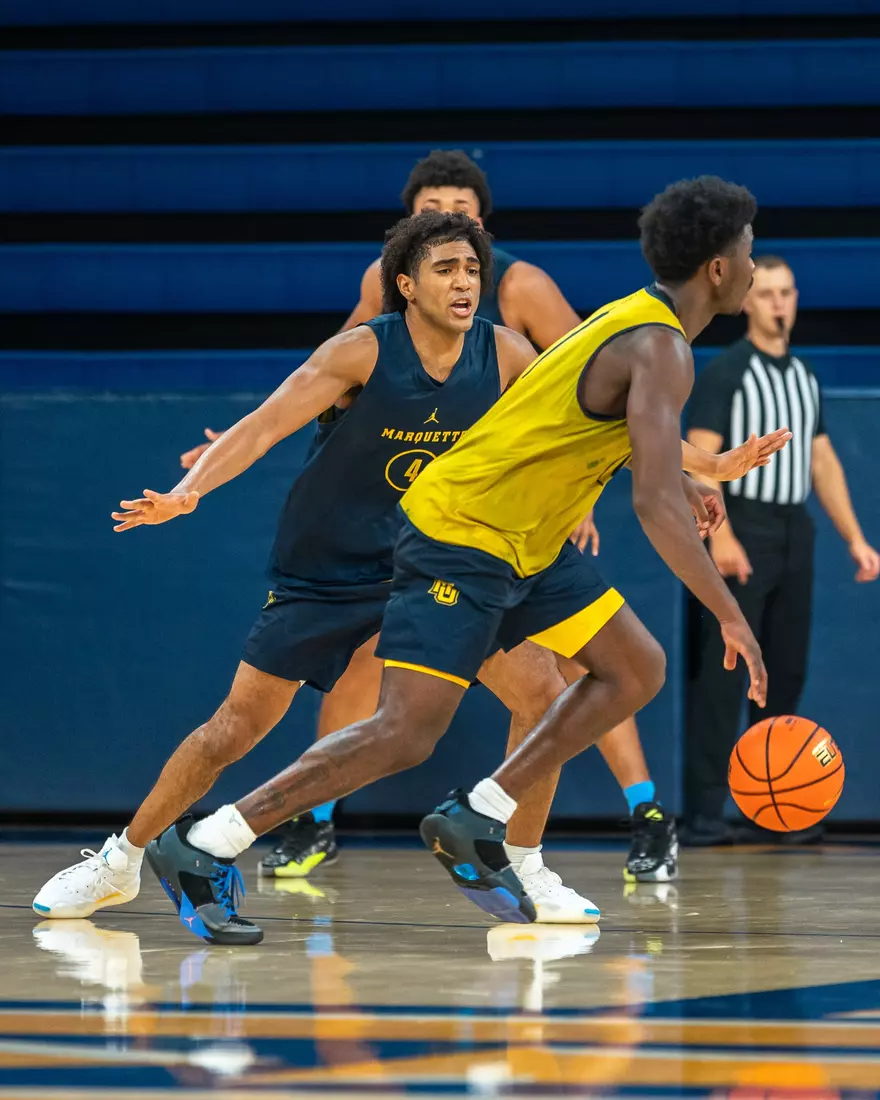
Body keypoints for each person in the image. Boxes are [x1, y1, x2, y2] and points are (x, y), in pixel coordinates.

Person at [133, 175, 777, 947]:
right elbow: (651, 506)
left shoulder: (627, 323)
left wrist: (689, 467)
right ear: (716, 266)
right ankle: (206, 843)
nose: (753, 266)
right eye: (748, 252)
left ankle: (484, 818)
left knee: (633, 666)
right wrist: (730, 611)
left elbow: (602, 424)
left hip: (523, 540)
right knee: (405, 732)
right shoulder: (658, 342)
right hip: (462, 532)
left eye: (473, 267)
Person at [183, 149, 678, 886]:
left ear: (483, 227)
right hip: (379, 521)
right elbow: (323, 372)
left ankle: (620, 818)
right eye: (431, 215)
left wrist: (586, 493)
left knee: (576, 668)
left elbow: (595, 394)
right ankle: (306, 820)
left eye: (462, 219)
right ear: (408, 251)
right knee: (358, 678)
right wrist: (246, 435)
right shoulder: (381, 300)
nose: (450, 232)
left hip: (488, 522)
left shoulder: (521, 292)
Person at [683, 255, 880, 845]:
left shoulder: (804, 375)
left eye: (786, 292)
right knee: (722, 676)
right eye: (766, 292)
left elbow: (821, 460)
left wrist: (855, 539)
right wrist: (722, 539)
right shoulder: (728, 372)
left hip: (795, 529)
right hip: (740, 523)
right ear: (746, 302)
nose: (778, 303)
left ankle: (772, 808)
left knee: (786, 668)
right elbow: (702, 450)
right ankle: (703, 814)